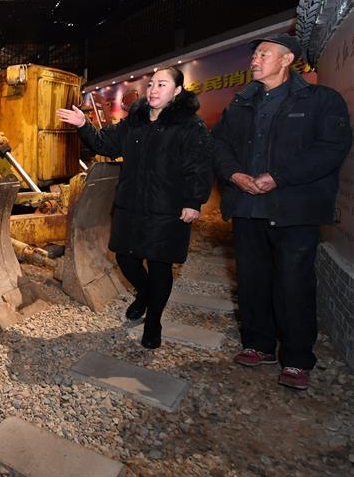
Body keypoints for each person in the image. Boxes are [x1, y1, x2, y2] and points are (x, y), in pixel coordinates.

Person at [212, 34, 351, 390]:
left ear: (287, 59)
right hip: (247, 207)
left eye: (263, 54)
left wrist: (279, 177)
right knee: (253, 282)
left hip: (294, 210)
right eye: (255, 55)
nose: (254, 60)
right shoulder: (240, 103)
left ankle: (297, 359)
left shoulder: (320, 100)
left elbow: (331, 149)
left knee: (294, 285)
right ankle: (258, 345)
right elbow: (220, 144)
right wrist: (233, 174)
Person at [57, 68, 213, 348]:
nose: (154, 89)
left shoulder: (190, 126)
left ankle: (154, 320)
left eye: (162, 84)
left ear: (177, 91)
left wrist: (194, 202)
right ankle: (145, 294)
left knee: (159, 264)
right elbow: (105, 144)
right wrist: (83, 124)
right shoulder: (135, 122)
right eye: (151, 84)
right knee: (125, 258)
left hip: (167, 208)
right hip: (131, 204)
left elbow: (199, 166)